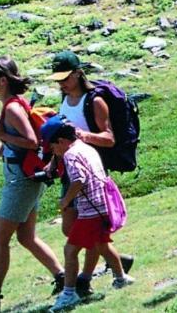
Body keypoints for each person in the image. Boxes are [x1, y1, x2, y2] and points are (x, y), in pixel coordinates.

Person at [0, 56, 65, 312]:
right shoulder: (13, 104)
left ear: (3, 80)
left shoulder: (13, 109)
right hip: (26, 178)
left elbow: (30, 141)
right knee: (26, 237)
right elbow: (11, 144)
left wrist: (1, 133)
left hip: (21, 182)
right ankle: (63, 277)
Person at [45, 50, 132, 297]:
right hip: (68, 170)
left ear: (78, 73)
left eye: (66, 77)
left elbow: (109, 138)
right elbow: (60, 138)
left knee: (84, 230)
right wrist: (53, 162)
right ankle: (113, 261)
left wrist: (82, 135)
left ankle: (85, 278)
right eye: (58, 79)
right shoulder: (64, 100)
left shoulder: (94, 101)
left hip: (90, 173)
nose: (62, 83)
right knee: (71, 229)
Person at [42, 118, 133, 312]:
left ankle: (69, 293)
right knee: (102, 245)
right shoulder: (86, 148)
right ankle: (121, 278)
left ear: (61, 141)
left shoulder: (70, 155)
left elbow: (79, 179)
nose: (52, 151)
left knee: (70, 250)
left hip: (90, 210)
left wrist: (66, 201)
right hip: (103, 205)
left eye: (52, 146)